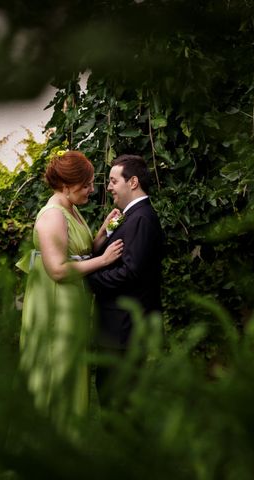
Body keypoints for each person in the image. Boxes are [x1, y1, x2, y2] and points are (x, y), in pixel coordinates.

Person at [16, 150, 124, 429]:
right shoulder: (52, 216)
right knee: (56, 367)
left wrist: (106, 228)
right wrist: (104, 261)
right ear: (66, 185)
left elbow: (82, 250)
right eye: (86, 184)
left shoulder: (71, 210)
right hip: (54, 304)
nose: (91, 189)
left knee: (71, 365)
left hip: (69, 301)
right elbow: (58, 269)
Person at [87, 154, 165, 406]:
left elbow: (129, 272)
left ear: (132, 182)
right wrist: (104, 233)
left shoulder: (142, 218)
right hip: (117, 327)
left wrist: (89, 278)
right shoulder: (128, 216)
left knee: (119, 400)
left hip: (126, 329)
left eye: (112, 181)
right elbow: (108, 255)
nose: (108, 187)